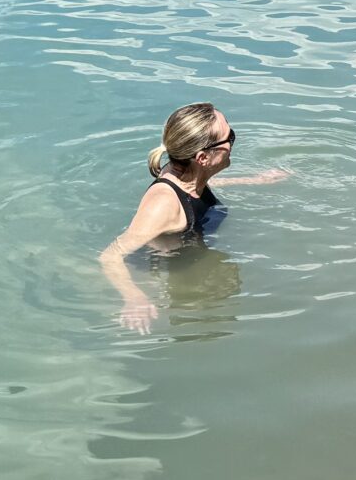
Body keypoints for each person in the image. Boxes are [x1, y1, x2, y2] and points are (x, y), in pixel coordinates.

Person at [99, 103, 291, 332]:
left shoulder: (185, 172)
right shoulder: (163, 204)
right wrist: (134, 298)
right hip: (163, 277)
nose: (232, 143)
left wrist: (255, 180)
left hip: (189, 263)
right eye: (229, 138)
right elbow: (110, 255)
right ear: (202, 158)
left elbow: (197, 186)